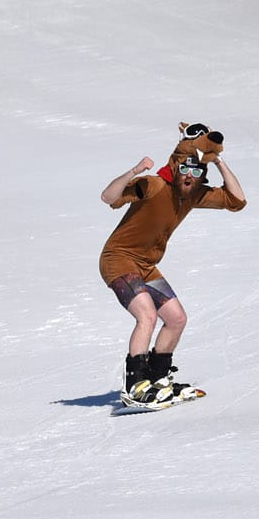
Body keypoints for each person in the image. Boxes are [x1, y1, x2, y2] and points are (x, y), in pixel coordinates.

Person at [97, 123, 246, 408]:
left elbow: (237, 200)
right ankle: (137, 384)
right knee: (147, 315)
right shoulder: (154, 186)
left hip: (147, 266)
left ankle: (158, 378)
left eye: (197, 172)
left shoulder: (194, 194)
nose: (190, 176)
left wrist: (218, 162)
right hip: (119, 259)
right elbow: (109, 197)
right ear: (176, 168)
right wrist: (134, 171)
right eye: (186, 170)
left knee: (177, 318)